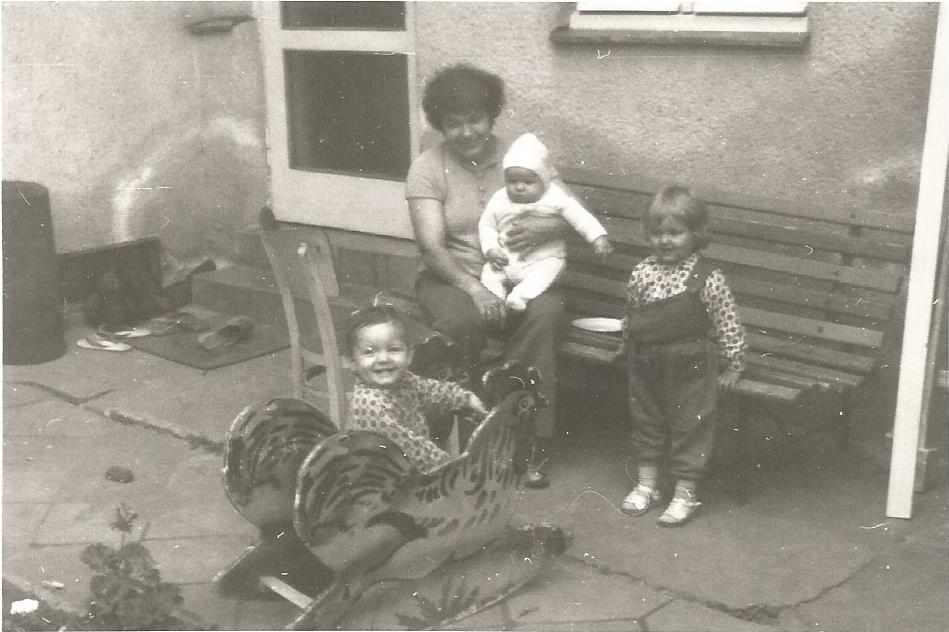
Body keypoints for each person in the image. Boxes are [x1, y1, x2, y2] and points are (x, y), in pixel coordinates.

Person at [405, 63, 565, 488]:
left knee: (546, 312)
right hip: (449, 278)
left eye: (475, 119)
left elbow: (566, 210)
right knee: (463, 323)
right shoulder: (427, 167)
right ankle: (466, 440)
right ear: (440, 126)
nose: (466, 132)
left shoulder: (522, 158)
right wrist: (476, 290)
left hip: (518, 276)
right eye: (453, 124)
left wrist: (547, 228)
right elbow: (431, 247)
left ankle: (523, 439)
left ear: (492, 115)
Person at [619, 185, 746, 526]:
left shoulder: (707, 277)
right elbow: (633, 312)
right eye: (657, 233)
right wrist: (626, 340)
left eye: (675, 233)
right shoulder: (642, 271)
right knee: (646, 419)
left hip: (691, 364)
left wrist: (734, 364)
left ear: (696, 234)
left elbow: (727, 322)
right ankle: (647, 486)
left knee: (691, 424)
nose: (665, 241)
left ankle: (685, 493)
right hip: (645, 360)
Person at [479, 132, 612, 311]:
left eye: (528, 182)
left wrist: (598, 237)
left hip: (541, 260)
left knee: (551, 267)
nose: (519, 187)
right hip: (505, 260)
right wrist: (491, 249)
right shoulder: (499, 199)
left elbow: (580, 216)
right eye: (512, 181)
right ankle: (496, 299)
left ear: (542, 180)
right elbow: (487, 225)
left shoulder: (555, 197)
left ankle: (520, 297)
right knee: (489, 272)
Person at [346, 305, 486, 474]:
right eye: (369, 352)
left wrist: (463, 397)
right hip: (378, 477)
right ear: (352, 362)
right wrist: (451, 468)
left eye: (393, 349)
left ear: (409, 355)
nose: (383, 358)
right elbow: (411, 449)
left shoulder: (405, 380)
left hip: (406, 471)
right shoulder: (370, 405)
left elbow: (431, 389)